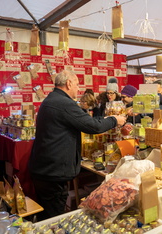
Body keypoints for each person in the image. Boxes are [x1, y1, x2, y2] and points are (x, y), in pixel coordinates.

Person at [28, 70, 126, 220]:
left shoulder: (52, 99)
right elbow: (92, 126)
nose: (78, 89)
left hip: (45, 169)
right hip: (52, 172)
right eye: (77, 84)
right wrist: (114, 120)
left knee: (46, 216)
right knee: (54, 219)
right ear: (69, 83)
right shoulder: (64, 103)